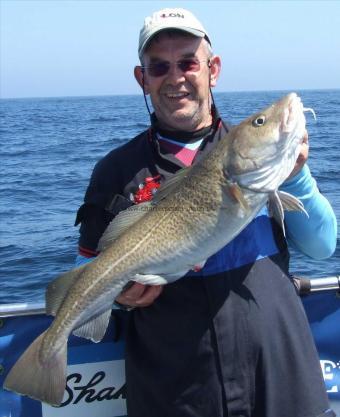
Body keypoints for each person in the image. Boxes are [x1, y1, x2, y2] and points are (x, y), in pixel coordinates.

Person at [74, 8, 338, 417]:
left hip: (283, 386)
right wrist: (121, 298)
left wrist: (295, 176)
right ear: (142, 78)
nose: (175, 77)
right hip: (179, 397)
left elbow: (322, 247)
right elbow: (88, 279)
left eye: (188, 62)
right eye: (159, 66)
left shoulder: (254, 153)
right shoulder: (115, 172)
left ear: (212, 70)